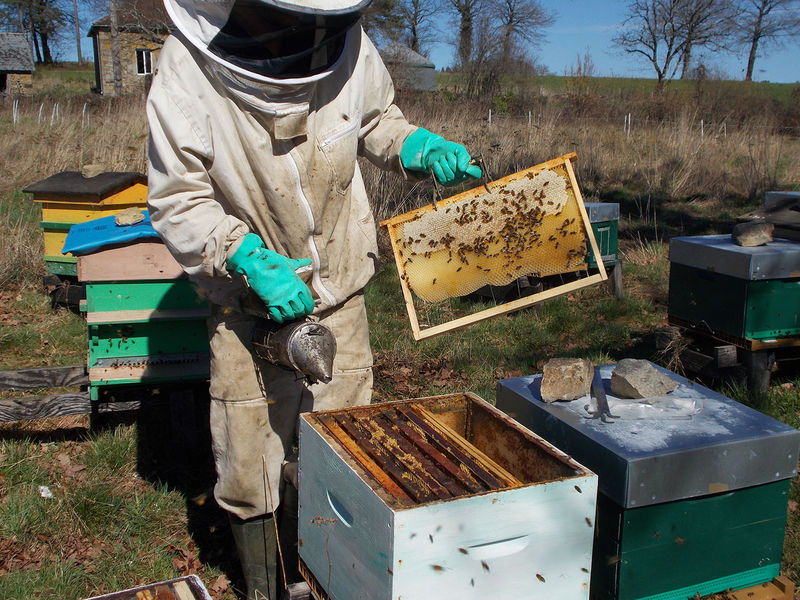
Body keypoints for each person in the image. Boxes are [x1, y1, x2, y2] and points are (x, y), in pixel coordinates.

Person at [145, 1, 481, 598]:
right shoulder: (186, 69)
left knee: (346, 440)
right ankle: (264, 585)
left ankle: (333, 570)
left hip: (340, 287)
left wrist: (417, 145)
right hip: (246, 306)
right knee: (249, 454)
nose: (296, 37)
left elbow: (375, 121)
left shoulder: (346, 43)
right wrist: (243, 255)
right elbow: (178, 200)